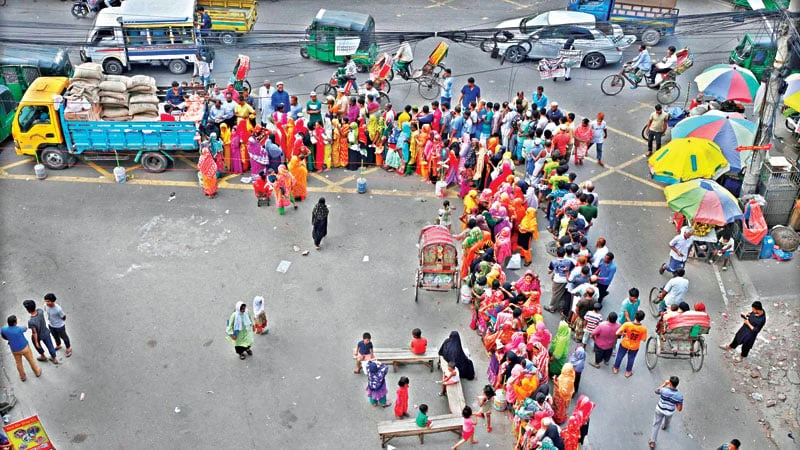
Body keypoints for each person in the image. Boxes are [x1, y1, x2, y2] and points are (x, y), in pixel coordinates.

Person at [1, 315, 42, 381]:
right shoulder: (19, 329)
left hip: (14, 349)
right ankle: (37, 372)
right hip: (25, 347)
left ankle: (22, 376)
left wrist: (9, 339)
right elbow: (25, 328)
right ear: (15, 323)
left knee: (18, 363)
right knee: (31, 360)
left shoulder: (4, 329)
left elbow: (3, 336)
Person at [649, 376, 684, 448]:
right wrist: (677, 402)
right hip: (669, 412)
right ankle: (665, 426)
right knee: (667, 420)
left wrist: (664, 384)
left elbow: (656, 391)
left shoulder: (663, 390)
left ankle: (652, 442)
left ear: (670, 383)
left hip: (659, 409)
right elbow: (679, 409)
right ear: (677, 384)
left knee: (656, 424)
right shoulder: (679, 396)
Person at [614, 310, 647, 377]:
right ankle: (628, 372)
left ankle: (616, 368)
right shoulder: (643, 329)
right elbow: (644, 339)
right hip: (635, 346)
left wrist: (624, 334)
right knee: (631, 358)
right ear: (642, 319)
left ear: (635, 316)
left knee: (620, 355)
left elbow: (617, 333)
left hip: (625, 343)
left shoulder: (627, 324)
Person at [23, 300, 57, 364]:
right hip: (45, 332)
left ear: (28, 310)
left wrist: (36, 342)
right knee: (50, 345)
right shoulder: (40, 311)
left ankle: (43, 356)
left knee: (36, 344)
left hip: (38, 335)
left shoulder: (31, 321)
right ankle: (54, 358)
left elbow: (34, 332)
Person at [547, 247, 574, 313]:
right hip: (567, 279)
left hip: (558, 280)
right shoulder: (569, 262)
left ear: (556, 253)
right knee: (564, 293)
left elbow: (549, 271)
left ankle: (552, 307)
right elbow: (572, 268)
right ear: (565, 254)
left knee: (555, 294)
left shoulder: (553, 262)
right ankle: (561, 306)